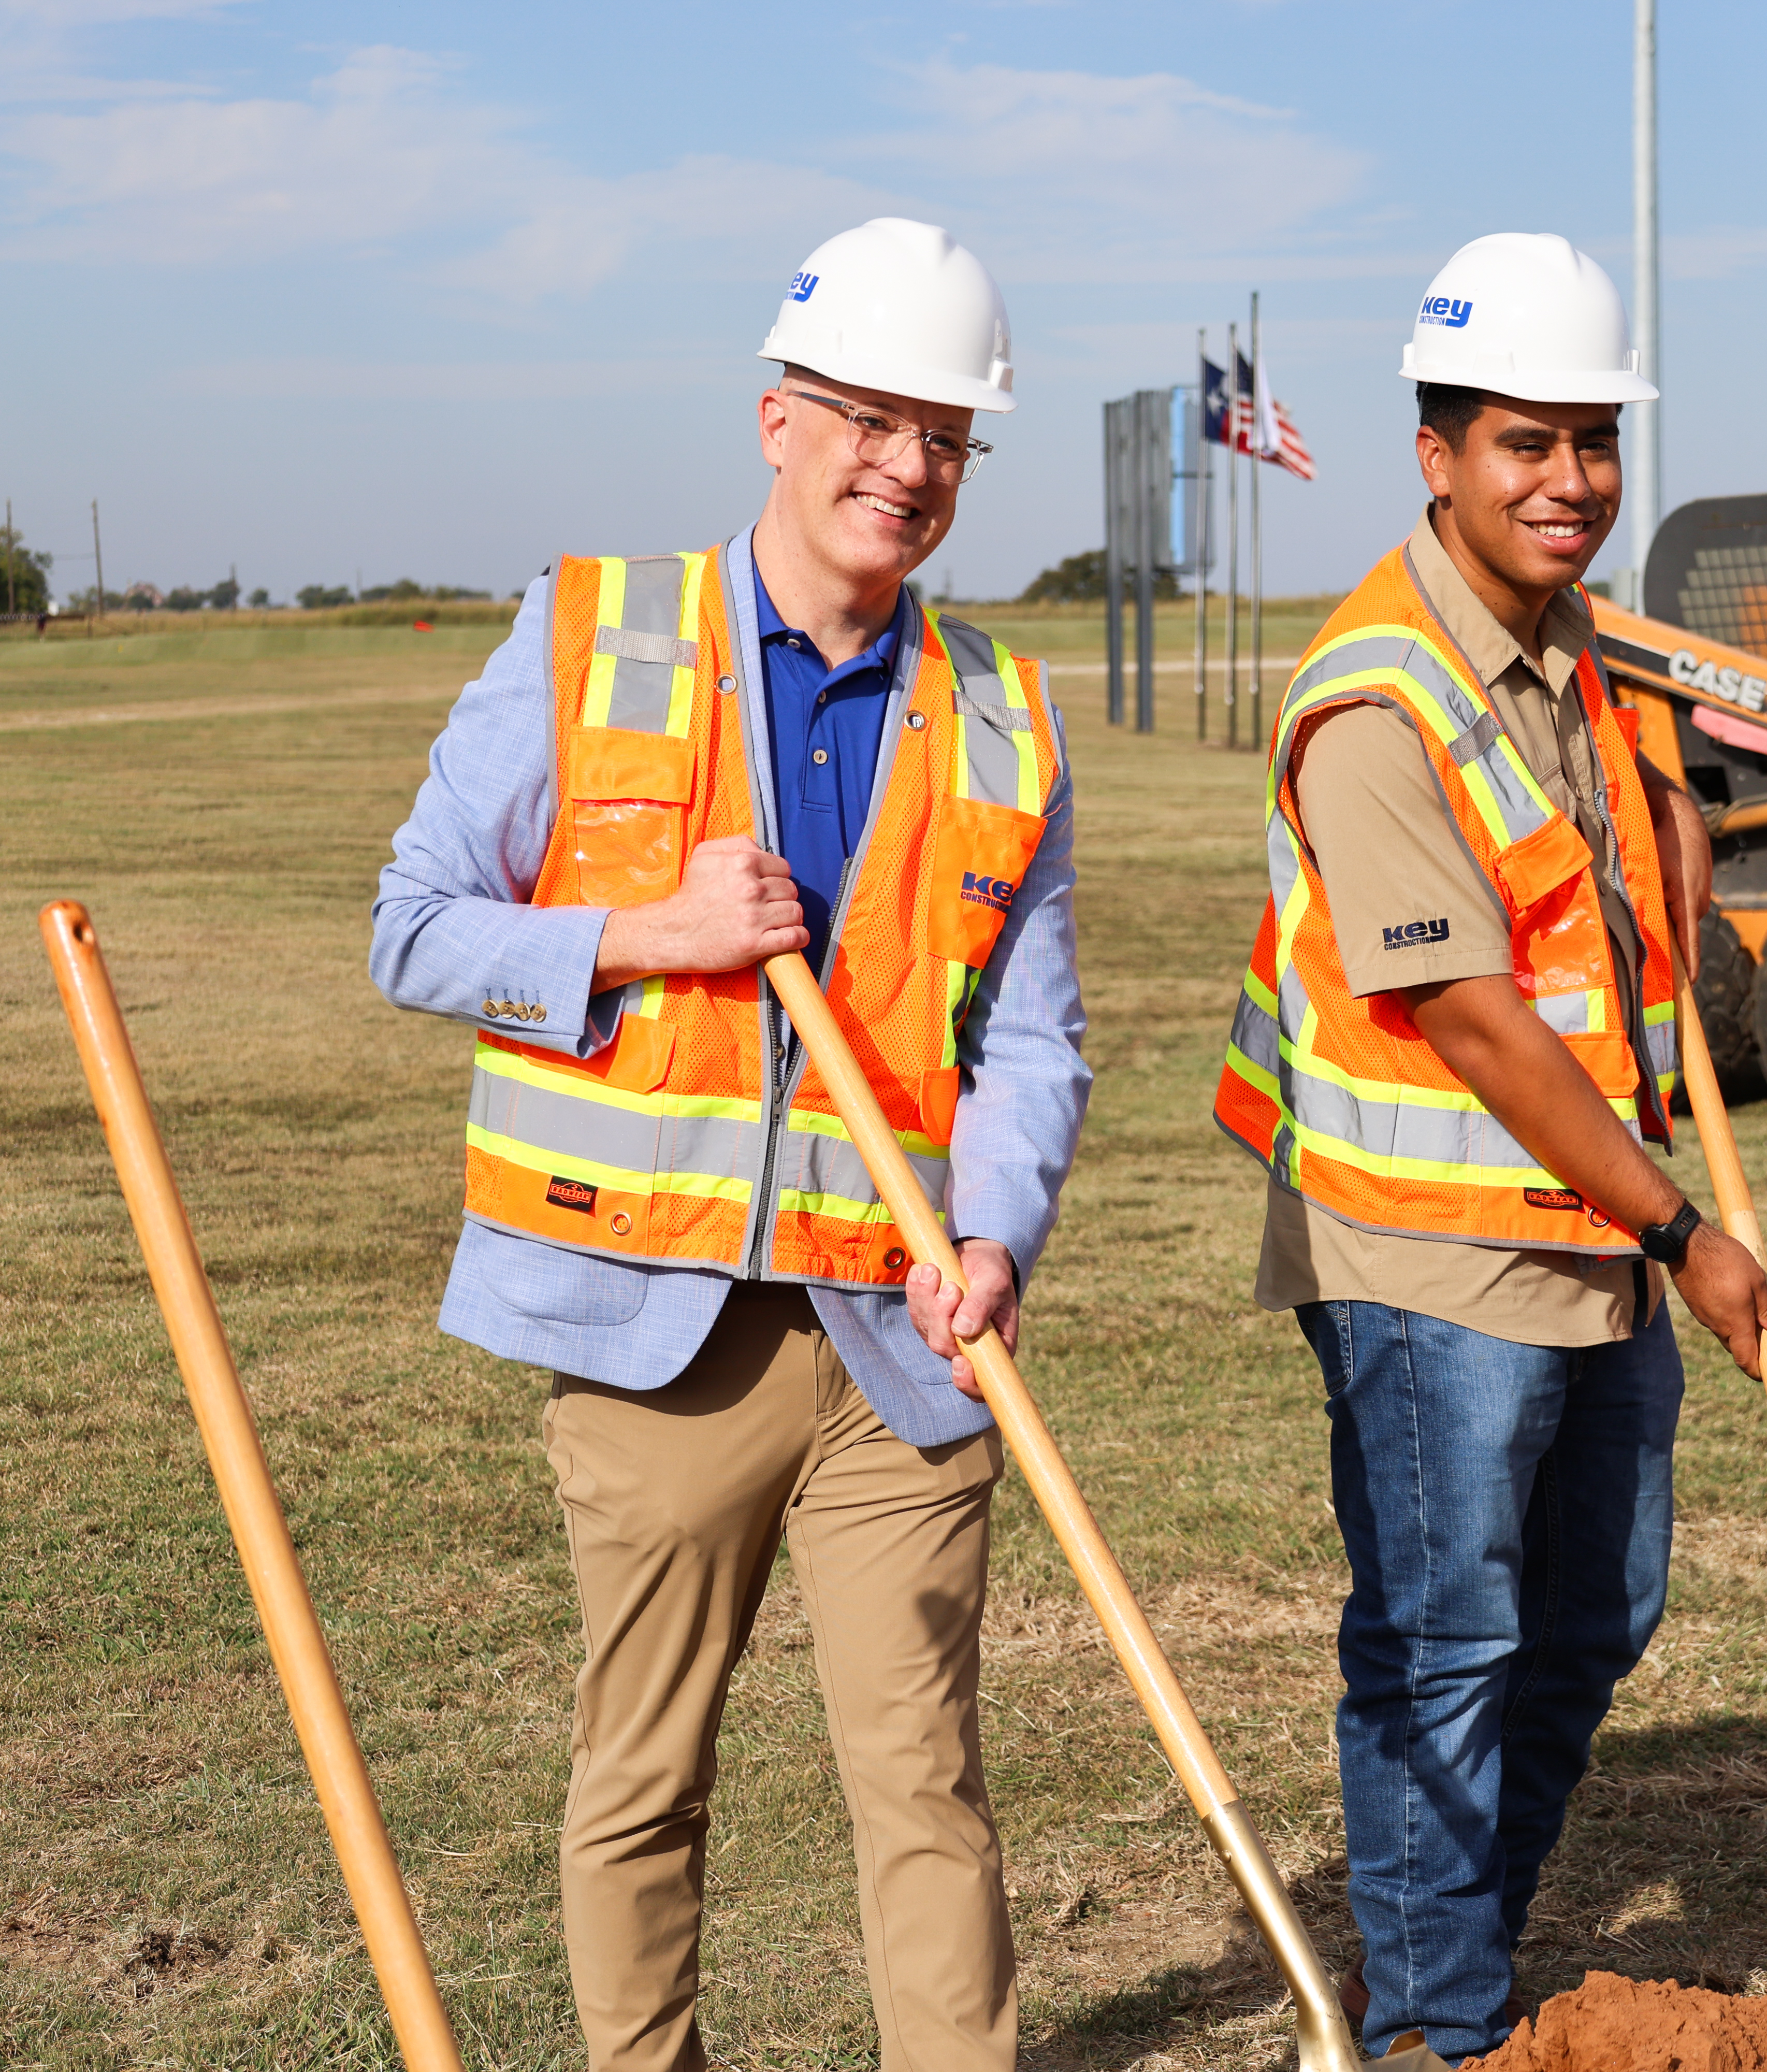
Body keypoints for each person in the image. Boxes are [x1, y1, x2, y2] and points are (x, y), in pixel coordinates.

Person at [370, 218, 1085, 2071]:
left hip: (900, 1349)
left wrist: (995, 1234)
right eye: (867, 416)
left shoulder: (1002, 713)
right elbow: (414, 927)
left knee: (926, 1782)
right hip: (655, 1332)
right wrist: (637, 935)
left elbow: (1030, 1038)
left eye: (947, 434)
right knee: (645, 1778)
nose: (906, 467)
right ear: (778, 418)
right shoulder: (596, 631)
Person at [1210, 231, 1767, 2063]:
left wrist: (1676, 822)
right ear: (1437, 453)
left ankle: (1441, 1942)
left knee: (1601, 1613)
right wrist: (1685, 1228)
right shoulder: (1378, 695)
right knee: (1445, 1646)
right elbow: (1474, 1019)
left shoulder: (1584, 650)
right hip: (1429, 1256)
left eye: (1595, 444)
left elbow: (1624, 876)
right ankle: (1437, 2028)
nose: (1571, 483)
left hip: (1586, 1234)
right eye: (1527, 443)